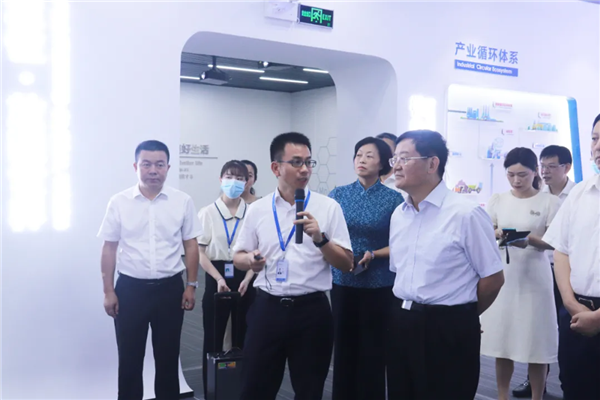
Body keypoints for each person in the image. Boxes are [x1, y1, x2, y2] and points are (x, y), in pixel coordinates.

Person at [232, 132, 353, 400]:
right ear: (276, 167)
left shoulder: (328, 207)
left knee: (310, 391)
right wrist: (250, 261)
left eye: (309, 162)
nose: (305, 169)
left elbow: (346, 264)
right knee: (254, 388)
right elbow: (238, 256)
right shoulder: (258, 209)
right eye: (296, 162)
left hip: (312, 312)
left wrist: (321, 239)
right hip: (268, 309)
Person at [386, 130, 505, 400]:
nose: (396, 166)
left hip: (447, 326)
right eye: (395, 159)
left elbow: (493, 278)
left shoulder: (466, 213)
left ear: (432, 164)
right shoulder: (399, 214)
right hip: (402, 320)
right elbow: (399, 271)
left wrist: (463, 314)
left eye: (405, 158)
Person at [98, 140, 202, 400]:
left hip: (170, 290)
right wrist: (108, 291)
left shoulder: (182, 201)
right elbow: (109, 248)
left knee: (168, 357)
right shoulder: (119, 201)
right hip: (130, 290)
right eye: (146, 164)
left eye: (159, 164)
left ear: (168, 167)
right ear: (136, 167)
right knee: (129, 358)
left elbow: (191, 245)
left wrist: (191, 285)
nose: (153, 170)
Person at [480, 147, 560, 400]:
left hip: (535, 277)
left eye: (522, 175)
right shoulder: (498, 200)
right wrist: (497, 233)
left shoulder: (549, 202)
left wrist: (529, 240)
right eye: (511, 175)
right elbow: (487, 230)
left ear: (535, 172)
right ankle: (502, 395)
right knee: (503, 341)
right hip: (505, 276)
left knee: (536, 343)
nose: (516, 180)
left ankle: (537, 395)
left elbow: (557, 241)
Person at [328, 137, 404, 400]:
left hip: (379, 283)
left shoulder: (394, 199)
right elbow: (327, 235)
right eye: (358, 154)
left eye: (369, 156)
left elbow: (401, 243)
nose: (361, 160)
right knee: (343, 347)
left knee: (374, 349)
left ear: (382, 163)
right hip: (343, 280)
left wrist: (374, 254)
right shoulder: (338, 195)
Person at [542, 113, 600, 400]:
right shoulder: (581, 193)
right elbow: (561, 249)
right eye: (595, 138)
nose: (597, 147)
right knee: (575, 387)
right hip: (576, 313)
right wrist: (569, 303)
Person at [512, 145, 574, 398]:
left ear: (566, 167)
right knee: (537, 327)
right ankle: (535, 381)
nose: (545, 172)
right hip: (538, 269)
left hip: (568, 272)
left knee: (567, 328)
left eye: (551, 166)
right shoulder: (535, 195)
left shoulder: (579, 195)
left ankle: (569, 381)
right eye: (542, 166)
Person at [197, 160, 255, 400]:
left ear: (247, 182)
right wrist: (219, 277)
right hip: (216, 275)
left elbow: (259, 250)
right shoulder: (208, 212)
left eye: (240, 178)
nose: (235, 182)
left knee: (245, 337)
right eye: (230, 177)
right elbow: (200, 253)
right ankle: (211, 391)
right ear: (221, 179)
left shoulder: (252, 212)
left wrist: (249, 278)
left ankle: (241, 390)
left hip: (245, 276)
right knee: (213, 336)